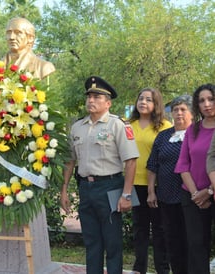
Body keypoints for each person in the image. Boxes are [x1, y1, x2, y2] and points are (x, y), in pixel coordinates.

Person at [61, 76, 139, 274]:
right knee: (91, 242)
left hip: (111, 187)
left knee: (112, 243)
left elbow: (131, 161)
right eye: (89, 96)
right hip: (86, 188)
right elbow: (70, 161)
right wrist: (64, 191)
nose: (91, 100)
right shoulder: (77, 127)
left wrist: (127, 194)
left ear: (108, 103)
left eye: (96, 97)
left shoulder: (118, 125)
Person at [147, 95, 193, 274]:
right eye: (175, 110)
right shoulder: (164, 136)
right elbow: (152, 166)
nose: (179, 113)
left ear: (192, 112)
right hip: (166, 197)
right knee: (172, 241)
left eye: (183, 109)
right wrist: (151, 191)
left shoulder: (197, 134)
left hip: (192, 197)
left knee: (191, 241)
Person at [128, 88, 172, 274]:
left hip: (158, 186)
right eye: (141, 98)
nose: (143, 102)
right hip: (134, 185)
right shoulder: (128, 125)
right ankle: (140, 268)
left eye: (148, 99)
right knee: (140, 230)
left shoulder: (165, 127)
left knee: (160, 231)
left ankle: (162, 269)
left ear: (156, 104)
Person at [175, 84, 215, 274]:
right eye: (202, 100)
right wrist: (196, 194)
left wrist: (208, 192)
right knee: (196, 246)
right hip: (192, 197)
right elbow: (183, 164)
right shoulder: (194, 130)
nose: (207, 104)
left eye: (211, 99)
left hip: (212, 193)